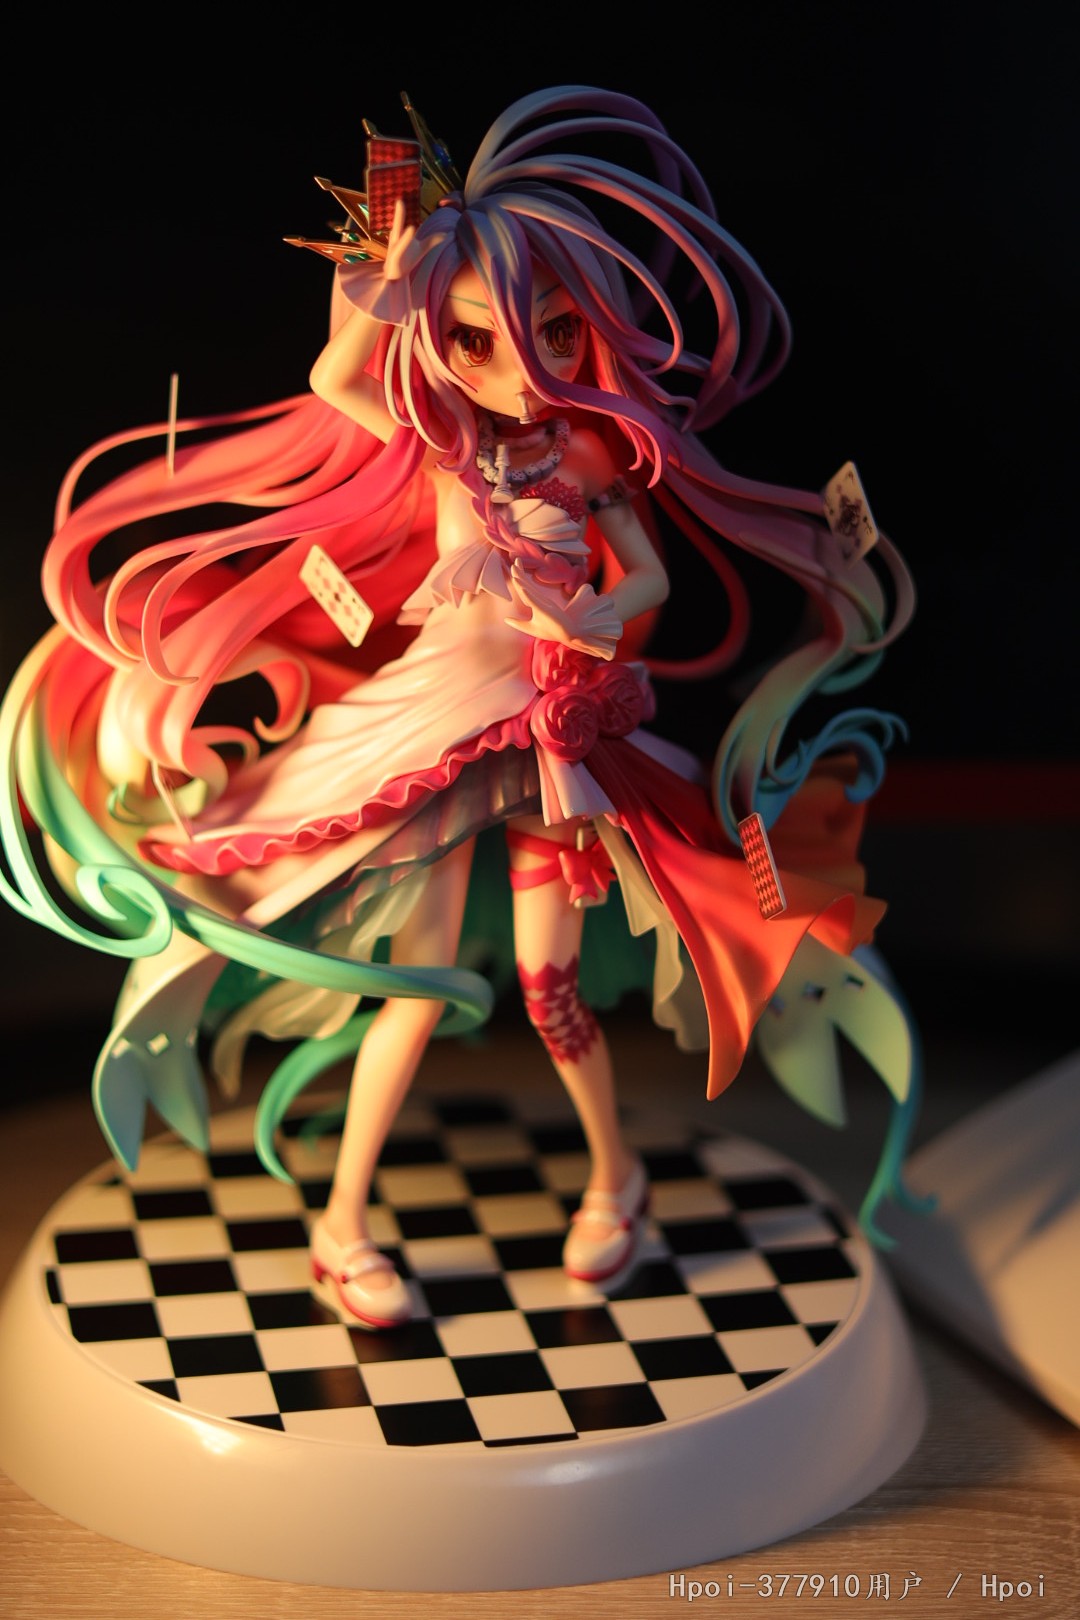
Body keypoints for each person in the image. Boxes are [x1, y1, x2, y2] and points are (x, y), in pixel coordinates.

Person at [0, 87, 919, 1329]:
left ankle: (616, 1180)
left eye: (550, 331)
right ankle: (341, 1226)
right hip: (445, 724)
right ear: (439, 342)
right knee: (412, 986)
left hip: (557, 741)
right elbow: (337, 377)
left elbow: (647, 574)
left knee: (550, 991)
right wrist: (385, 281)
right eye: (478, 340)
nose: (518, 369)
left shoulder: (587, 455)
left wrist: (593, 616)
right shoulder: (439, 436)